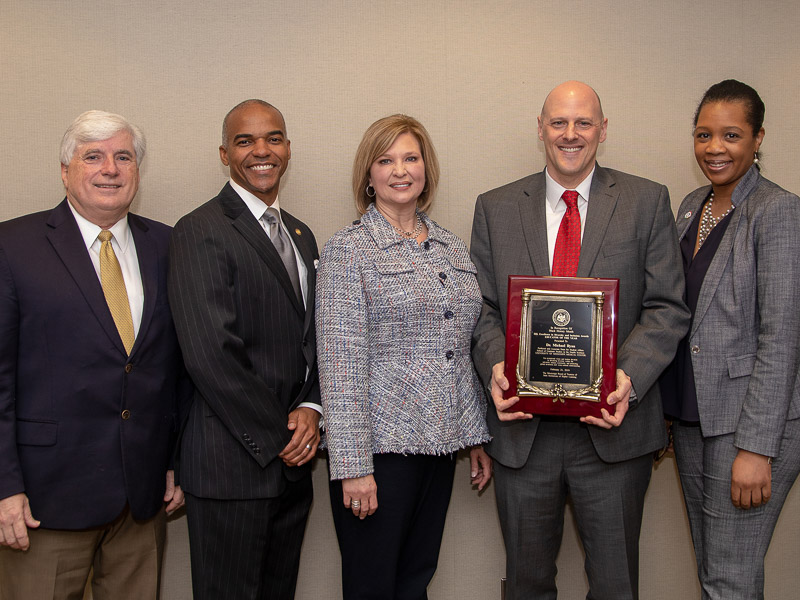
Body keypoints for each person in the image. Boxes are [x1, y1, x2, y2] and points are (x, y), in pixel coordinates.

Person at [470, 81, 690, 600]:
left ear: (603, 130)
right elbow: (478, 309)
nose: (571, 135)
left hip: (613, 431)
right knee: (526, 585)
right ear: (540, 129)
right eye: (559, 123)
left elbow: (667, 307)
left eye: (584, 123)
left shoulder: (646, 200)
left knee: (616, 586)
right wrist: (498, 368)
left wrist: (626, 379)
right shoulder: (495, 207)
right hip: (525, 436)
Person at [0, 110, 190, 599]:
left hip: (141, 499)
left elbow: (178, 369)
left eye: (123, 157)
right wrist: (4, 486)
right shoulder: (12, 246)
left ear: (137, 172)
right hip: (44, 500)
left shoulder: (169, 246)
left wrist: (175, 460)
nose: (110, 168)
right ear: (65, 171)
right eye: (94, 157)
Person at [316, 114, 492, 599]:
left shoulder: (450, 247)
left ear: (425, 168)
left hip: (439, 448)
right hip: (379, 453)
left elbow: (459, 348)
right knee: (374, 586)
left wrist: (474, 433)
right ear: (368, 175)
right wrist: (353, 467)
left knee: (416, 580)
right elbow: (340, 365)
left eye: (410, 158)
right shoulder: (348, 251)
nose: (400, 170)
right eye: (385, 160)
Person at [168, 99, 320, 600]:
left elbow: (316, 338)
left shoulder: (301, 235)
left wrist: (311, 408)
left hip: (293, 468)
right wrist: (279, 434)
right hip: (231, 466)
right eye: (245, 140)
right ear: (223, 153)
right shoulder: (200, 229)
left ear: (288, 149)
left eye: (273, 138)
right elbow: (210, 353)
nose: (262, 150)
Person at [660, 79, 800, 599]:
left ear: (758, 138)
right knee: (717, 573)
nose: (714, 148)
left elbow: (782, 337)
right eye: (704, 135)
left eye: (732, 135)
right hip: (696, 420)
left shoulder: (778, 211)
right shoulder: (693, 204)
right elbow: (680, 316)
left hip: (748, 427)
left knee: (728, 579)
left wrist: (756, 449)